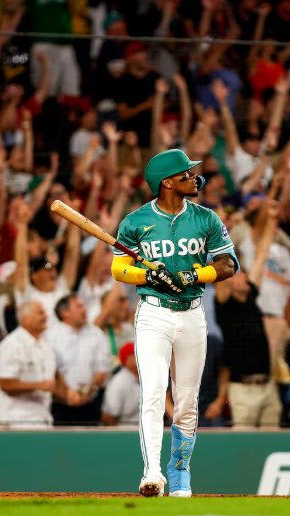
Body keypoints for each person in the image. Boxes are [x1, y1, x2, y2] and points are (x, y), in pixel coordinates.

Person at [111, 149, 238, 497]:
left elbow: (229, 264)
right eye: (187, 174)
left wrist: (193, 273)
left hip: (193, 312)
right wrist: (150, 277)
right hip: (153, 312)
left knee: (187, 400)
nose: (195, 177)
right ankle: (152, 472)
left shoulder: (206, 218)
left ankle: (180, 473)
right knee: (152, 393)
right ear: (167, 182)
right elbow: (119, 268)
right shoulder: (135, 221)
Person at [216, 200, 282, 428]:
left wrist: (272, 220)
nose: (243, 275)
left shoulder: (251, 296)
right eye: (237, 274)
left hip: (266, 385)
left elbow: (262, 255)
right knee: (244, 447)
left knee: (273, 445)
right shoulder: (225, 305)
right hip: (242, 388)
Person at [0, 301, 83, 427]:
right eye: (40, 313)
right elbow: (6, 384)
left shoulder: (45, 342)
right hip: (16, 421)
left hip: (43, 419)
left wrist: (68, 393)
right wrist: (38, 385)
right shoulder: (12, 344)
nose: (45, 316)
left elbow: (53, 375)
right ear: (26, 320)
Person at [48, 295, 112, 425]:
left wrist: (87, 390)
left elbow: (103, 369)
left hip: (90, 403)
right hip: (60, 404)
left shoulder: (97, 334)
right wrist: (66, 394)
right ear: (64, 313)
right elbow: (49, 370)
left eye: (83, 306)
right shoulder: (50, 336)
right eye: (79, 306)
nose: (84, 310)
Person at [101, 342, 140, 426]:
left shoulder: (148, 378)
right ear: (126, 359)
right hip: (124, 431)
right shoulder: (118, 382)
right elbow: (108, 417)